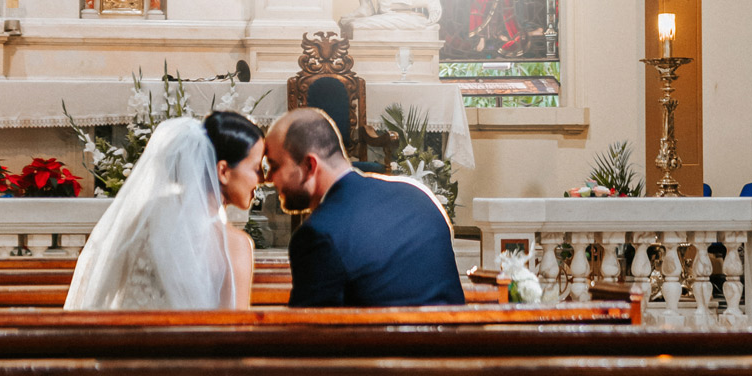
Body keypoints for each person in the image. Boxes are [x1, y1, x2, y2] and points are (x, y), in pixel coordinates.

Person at [263, 107, 464, 309]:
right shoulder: (419, 197)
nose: (268, 178)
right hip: (456, 338)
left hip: (379, 340)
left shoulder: (318, 234)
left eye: (274, 165)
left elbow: (306, 332)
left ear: (309, 165)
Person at [64, 110, 263, 310]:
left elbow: (102, 294)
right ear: (223, 171)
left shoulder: (142, 219)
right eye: (256, 169)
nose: (262, 179)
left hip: (122, 339)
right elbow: (235, 331)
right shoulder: (234, 246)